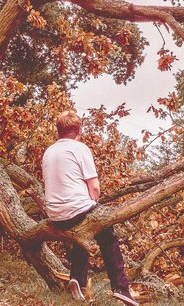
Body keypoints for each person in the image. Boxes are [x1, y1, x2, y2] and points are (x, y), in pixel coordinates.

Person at [42, 111, 139, 306]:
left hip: (54, 214)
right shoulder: (80, 148)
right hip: (75, 209)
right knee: (106, 233)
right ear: (79, 130)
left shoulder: (49, 151)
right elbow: (94, 187)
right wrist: (95, 206)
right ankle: (121, 288)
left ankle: (77, 278)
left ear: (58, 131)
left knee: (84, 229)